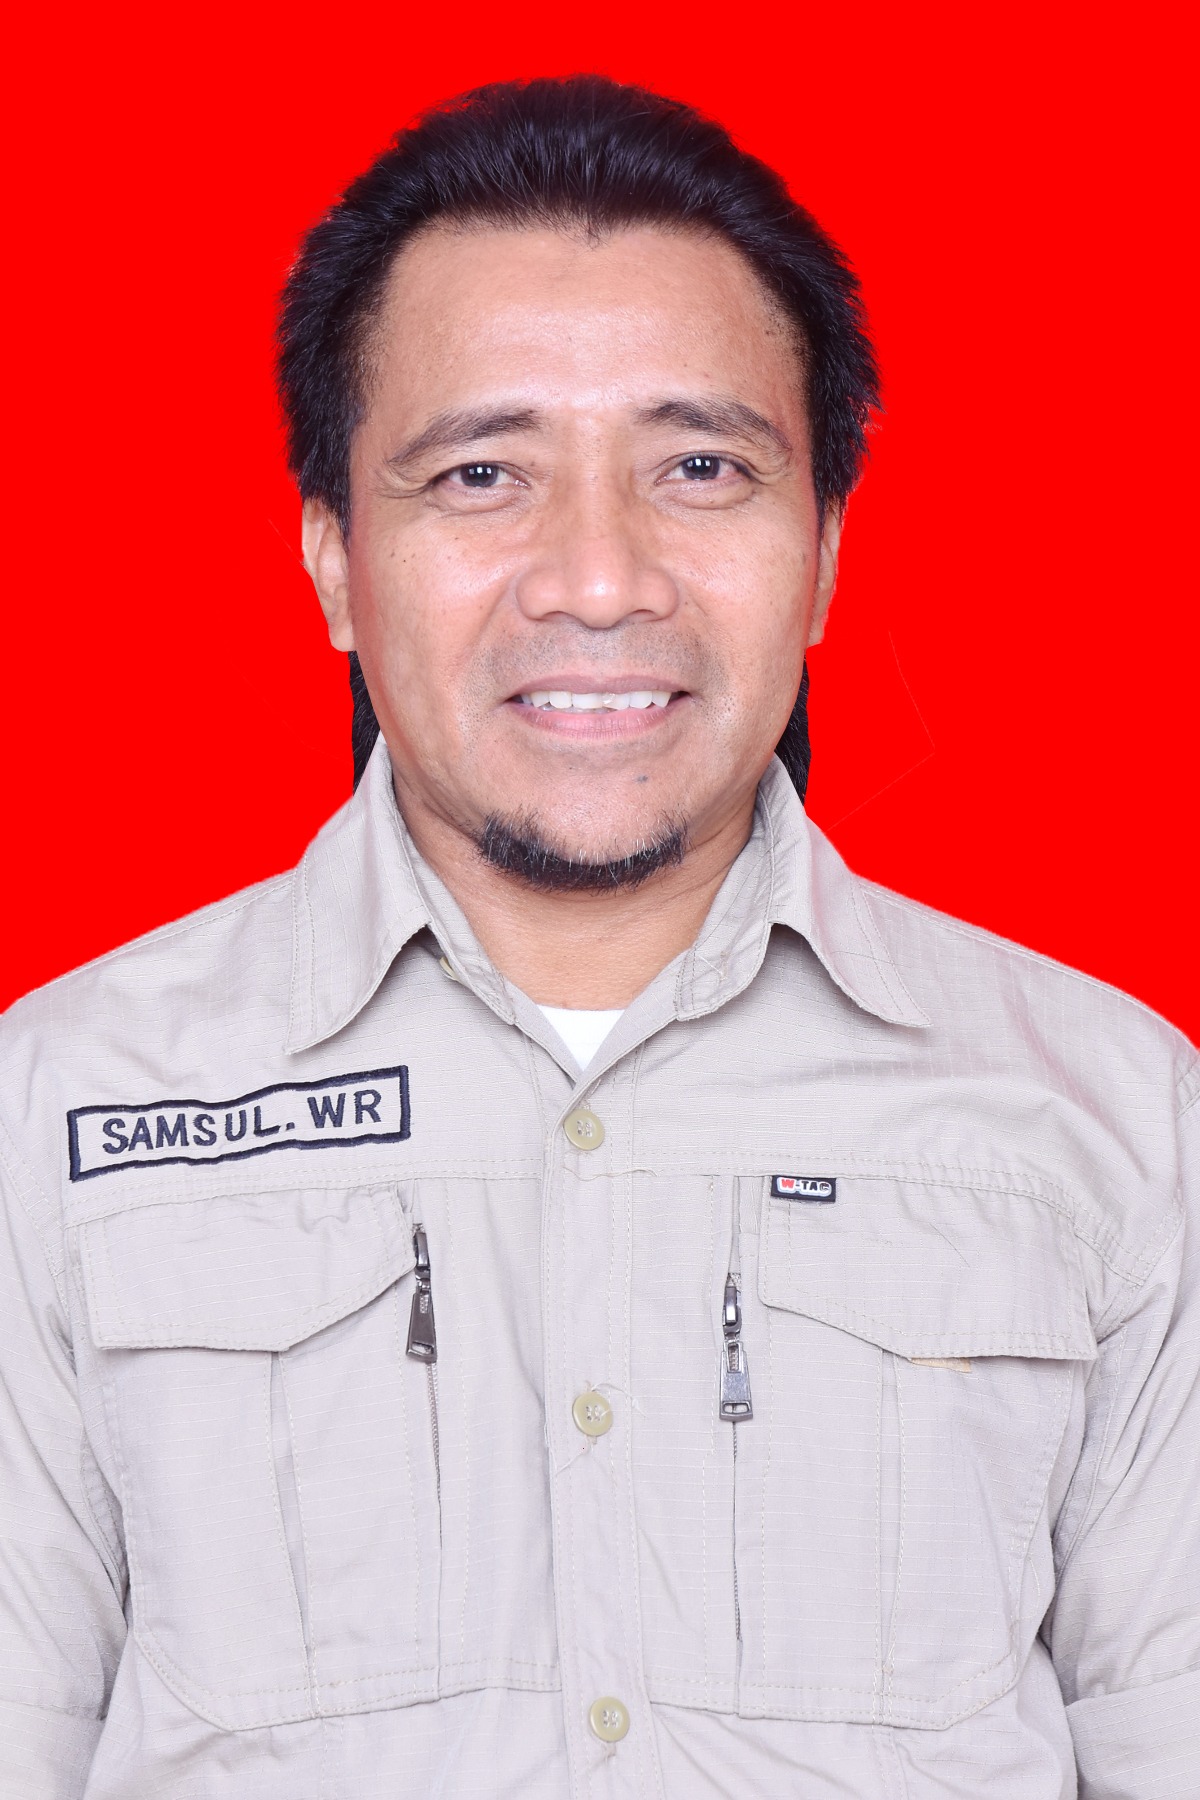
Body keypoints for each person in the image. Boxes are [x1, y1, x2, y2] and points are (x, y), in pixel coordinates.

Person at [0, 76, 1195, 1800]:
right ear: (332, 559)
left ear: (825, 553)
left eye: (699, 468)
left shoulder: (1114, 1117)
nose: (598, 576)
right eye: (481, 473)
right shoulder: (57, 1113)